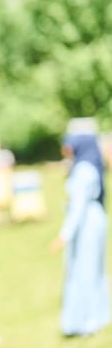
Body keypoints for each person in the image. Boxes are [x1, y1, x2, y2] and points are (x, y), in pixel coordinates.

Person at [50, 133, 110, 336]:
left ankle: (85, 321)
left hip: (86, 224)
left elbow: (78, 207)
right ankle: (100, 314)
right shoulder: (88, 165)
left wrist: (64, 235)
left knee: (84, 270)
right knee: (94, 269)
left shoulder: (84, 169)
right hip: (94, 220)